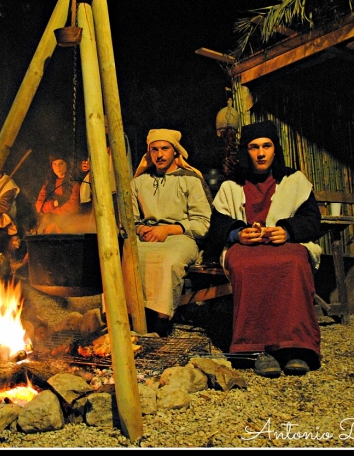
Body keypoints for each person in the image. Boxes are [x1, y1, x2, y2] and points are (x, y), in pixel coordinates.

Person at [205, 120, 324, 377]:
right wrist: (237, 233)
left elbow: (313, 220)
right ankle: (257, 350)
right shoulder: (230, 186)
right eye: (254, 147)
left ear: (275, 149)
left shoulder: (294, 180)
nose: (261, 153)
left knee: (294, 263)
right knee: (247, 265)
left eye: (266, 146)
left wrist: (289, 231)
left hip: (287, 246)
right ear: (245, 151)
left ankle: (295, 348)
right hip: (246, 250)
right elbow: (216, 226)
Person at [131, 128, 212, 337]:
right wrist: (140, 229)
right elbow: (129, 220)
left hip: (181, 237)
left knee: (168, 261)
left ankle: (161, 319)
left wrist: (167, 230)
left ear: (175, 152)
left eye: (165, 149)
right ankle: (133, 315)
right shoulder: (139, 182)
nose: (159, 154)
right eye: (154, 149)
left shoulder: (190, 180)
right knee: (128, 258)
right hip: (146, 237)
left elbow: (203, 223)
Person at [35, 154, 83, 234]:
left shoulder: (74, 183)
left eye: (61, 163)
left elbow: (73, 206)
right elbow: (39, 206)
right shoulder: (47, 185)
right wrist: (54, 203)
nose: (58, 167)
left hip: (68, 223)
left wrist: (52, 211)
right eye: (55, 164)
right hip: (50, 222)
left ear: (67, 164)